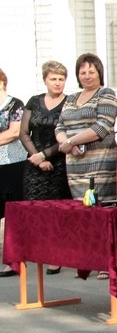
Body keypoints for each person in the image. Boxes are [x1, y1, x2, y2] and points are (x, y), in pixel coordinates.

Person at [55, 54, 117, 203]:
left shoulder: (106, 94)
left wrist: (71, 142)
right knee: (78, 209)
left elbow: (102, 127)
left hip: (98, 164)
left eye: (91, 72)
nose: (87, 76)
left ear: (99, 73)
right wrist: (68, 144)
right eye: (82, 73)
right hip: (74, 164)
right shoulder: (71, 98)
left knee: (96, 205)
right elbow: (60, 126)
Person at [19, 62, 71, 221]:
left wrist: (44, 156)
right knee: (33, 214)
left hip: (60, 165)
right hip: (34, 164)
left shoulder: (70, 103)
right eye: (53, 79)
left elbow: (69, 137)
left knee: (58, 215)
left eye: (61, 79)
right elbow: (24, 133)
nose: (57, 83)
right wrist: (38, 158)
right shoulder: (34, 101)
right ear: (45, 80)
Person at [0, 69, 27, 235]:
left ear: (2, 82)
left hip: (13, 164)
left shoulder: (15, 104)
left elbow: (14, 132)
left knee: (14, 209)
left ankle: (16, 245)